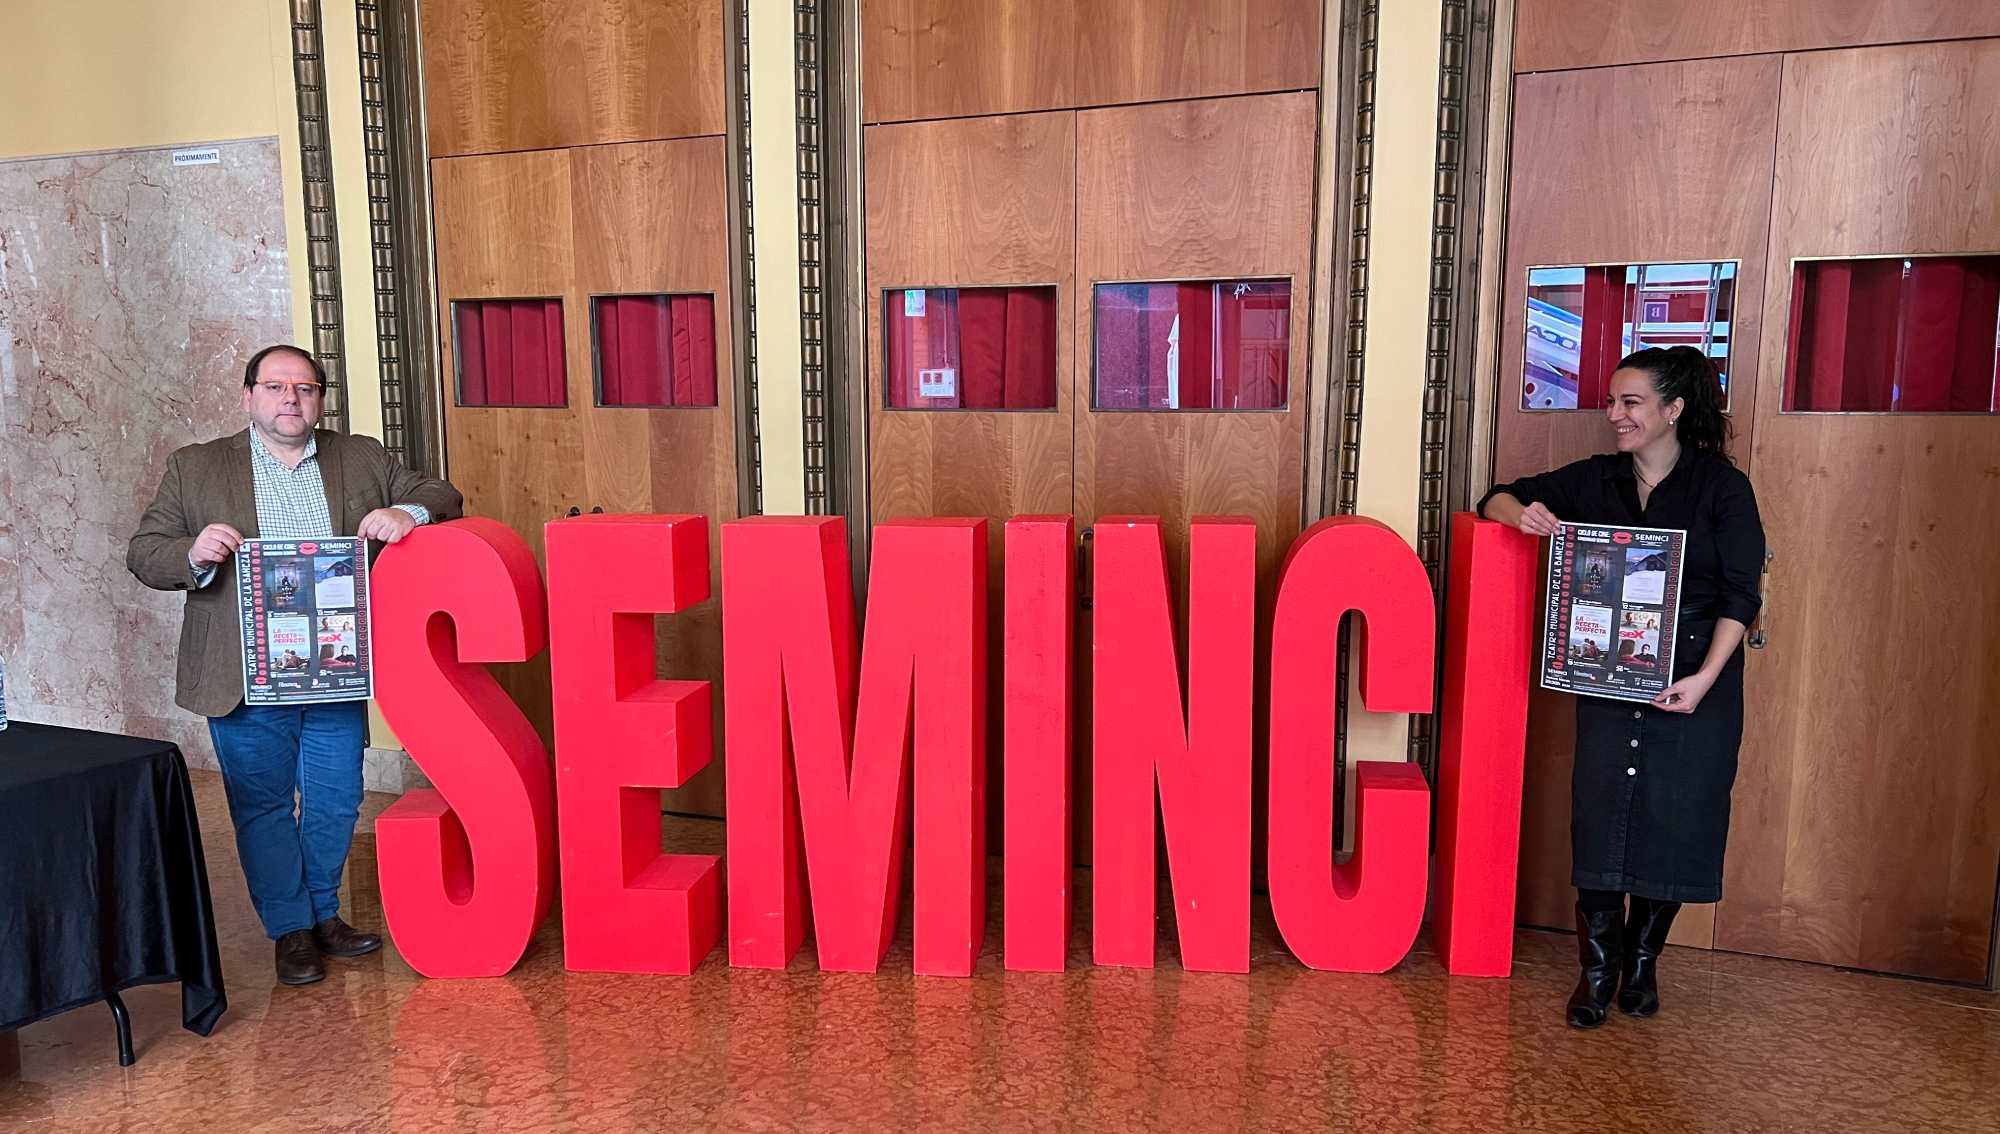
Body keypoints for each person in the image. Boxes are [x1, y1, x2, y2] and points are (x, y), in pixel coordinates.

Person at [128, 344, 463, 986]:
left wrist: (406, 512)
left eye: (305, 388)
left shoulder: (359, 455)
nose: (291, 399)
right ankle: (291, 930)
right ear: (249, 395)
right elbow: (146, 553)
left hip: (334, 667)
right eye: (276, 387)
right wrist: (192, 552)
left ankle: (323, 914)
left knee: (337, 800)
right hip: (245, 673)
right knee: (263, 805)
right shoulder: (194, 467)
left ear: (320, 399)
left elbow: (440, 492)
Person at [1481, 346, 1764, 1029]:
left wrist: (1702, 681)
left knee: (1676, 815)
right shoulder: (1596, 480)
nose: (1614, 415)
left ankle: (1642, 963)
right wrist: (1517, 515)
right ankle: (1597, 970)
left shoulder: (1722, 487)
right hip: (1610, 671)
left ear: (1674, 410)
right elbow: (1495, 496)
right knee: (1602, 808)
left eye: (1630, 403)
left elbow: (1741, 594)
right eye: (1613, 402)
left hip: (1699, 671)